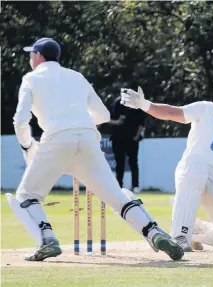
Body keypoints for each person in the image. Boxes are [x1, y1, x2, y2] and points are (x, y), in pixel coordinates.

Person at [9, 37, 184, 261]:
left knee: (27, 194)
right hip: (88, 140)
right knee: (117, 197)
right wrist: (80, 123)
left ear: (38, 56)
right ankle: (154, 232)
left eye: (31, 55)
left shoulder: (31, 79)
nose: (30, 59)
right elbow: (103, 115)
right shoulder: (77, 77)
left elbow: (20, 120)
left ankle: (48, 240)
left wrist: (28, 145)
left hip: (56, 140)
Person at [120, 78, 213, 252]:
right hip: (192, 172)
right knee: (196, 163)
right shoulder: (206, 109)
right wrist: (145, 104)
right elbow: (172, 113)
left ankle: (194, 231)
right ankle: (180, 236)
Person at [109, 95, 145, 193]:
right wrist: (117, 122)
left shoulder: (137, 105)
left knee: (133, 163)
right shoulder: (117, 103)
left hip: (132, 139)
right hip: (118, 138)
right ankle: (119, 185)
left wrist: (137, 136)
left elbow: (141, 123)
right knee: (119, 163)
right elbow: (107, 118)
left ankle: (135, 185)